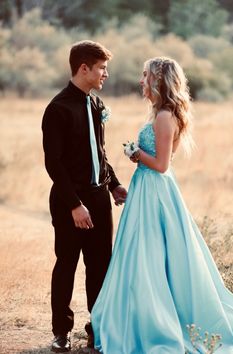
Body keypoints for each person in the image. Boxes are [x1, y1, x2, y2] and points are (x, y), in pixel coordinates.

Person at [91, 57, 233, 353]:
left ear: (159, 80)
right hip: (146, 188)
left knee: (152, 252)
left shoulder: (165, 116)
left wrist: (134, 154)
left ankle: (157, 319)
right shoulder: (158, 113)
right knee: (141, 252)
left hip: (155, 188)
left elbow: (160, 164)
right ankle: (139, 313)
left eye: (146, 75)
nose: (141, 80)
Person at [42, 40, 127, 353]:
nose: (105, 74)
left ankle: (99, 327)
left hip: (98, 198)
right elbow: (54, 163)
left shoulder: (96, 104)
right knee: (66, 263)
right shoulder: (57, 108)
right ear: (84, 68)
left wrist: (114, 184)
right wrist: (75, 205)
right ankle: (61, 332)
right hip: (69, 202)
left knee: (101, 265)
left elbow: (98, 152)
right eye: (102, 68)